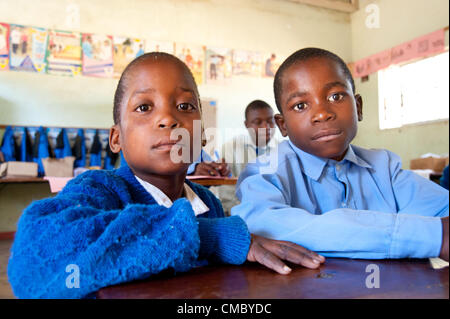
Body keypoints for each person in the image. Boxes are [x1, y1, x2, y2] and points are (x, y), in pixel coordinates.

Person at [8, 52, 324, 299]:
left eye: (185, 106)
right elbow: (33, 259)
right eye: (145, 107)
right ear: (116, 138)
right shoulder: (101, 189)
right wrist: (209, 236)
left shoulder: (207, 204)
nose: (168, 118)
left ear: (202, 135)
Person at [231, 47, 449, 261]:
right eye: (300, 106)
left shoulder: (384, 167)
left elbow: (442, 208)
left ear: (359, 107)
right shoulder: (265, 173)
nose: (322, 114)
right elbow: (265, 226)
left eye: (335, 96)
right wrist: (433, 236)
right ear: (282, 125)